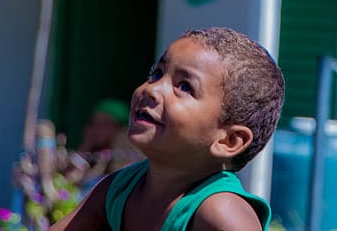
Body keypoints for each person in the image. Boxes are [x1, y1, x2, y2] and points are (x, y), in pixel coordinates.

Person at [50, 27, 285, 231]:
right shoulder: (118, 189)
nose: (151, 89)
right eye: (157, 73)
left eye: (184, 87)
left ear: (229, 141)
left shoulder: (222, 213)